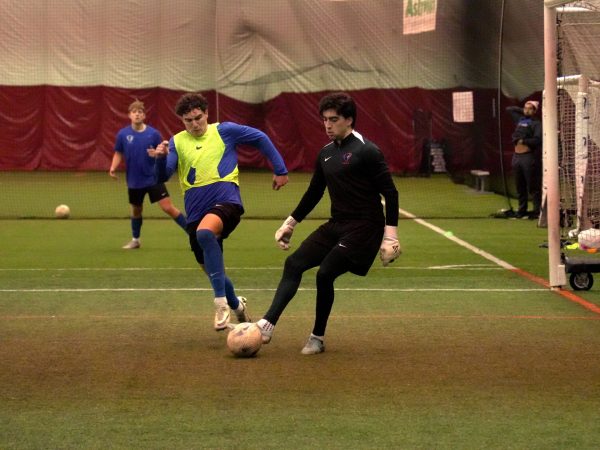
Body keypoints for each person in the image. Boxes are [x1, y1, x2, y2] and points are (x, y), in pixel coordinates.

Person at [255, 92, 400, 355]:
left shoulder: (367, 151)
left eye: (333, 120)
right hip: (338, 224)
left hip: (366, 228)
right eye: (324, 120)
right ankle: (267, 324)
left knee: (325, 273)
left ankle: (317, 338)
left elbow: (391, 194)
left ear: (349, 120)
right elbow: (314, 193)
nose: (327, 125)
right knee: (294, 263)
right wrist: (290, 223)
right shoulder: (325, 154)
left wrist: (390, 237)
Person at [148, 92, 289, 331]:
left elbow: (261, 138)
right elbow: (162, 176)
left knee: (205, 234)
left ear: (206, 114)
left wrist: (280, 169)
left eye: (198, 118)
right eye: (188, 120)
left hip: (227, 201)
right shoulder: (176, 142)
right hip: (195, 211)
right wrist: (160, 159)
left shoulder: (224, 130)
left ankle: (221, 303)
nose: (194, 124)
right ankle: (237, 305)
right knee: (214, 270)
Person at [110, 99, 187, 249]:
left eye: (140, 112)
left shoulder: (154, 134)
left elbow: (164, 152)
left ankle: (193, 234)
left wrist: (157, 154)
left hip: (154, 179)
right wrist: (113, 167)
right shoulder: (123, 134)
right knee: (136, 210)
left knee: (168, 208)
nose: (137, 115)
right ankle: (136, 240)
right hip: (134, 181)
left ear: (144, 116)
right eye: (134, 112)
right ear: (129, 115)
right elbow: (118, 152)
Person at [506, 100, 542, 220]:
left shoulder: (536, 123)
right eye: (525, 108)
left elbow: (538, 140)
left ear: (535, 111)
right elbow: (510, 109)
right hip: (517, 156)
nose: (527, 110)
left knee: (532, 186)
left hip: (528, 156)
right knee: (519, 185)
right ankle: (522, 211)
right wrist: (524, 110)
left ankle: (537, 212)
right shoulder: (521, 120)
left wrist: (523, 141)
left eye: (530, 109)